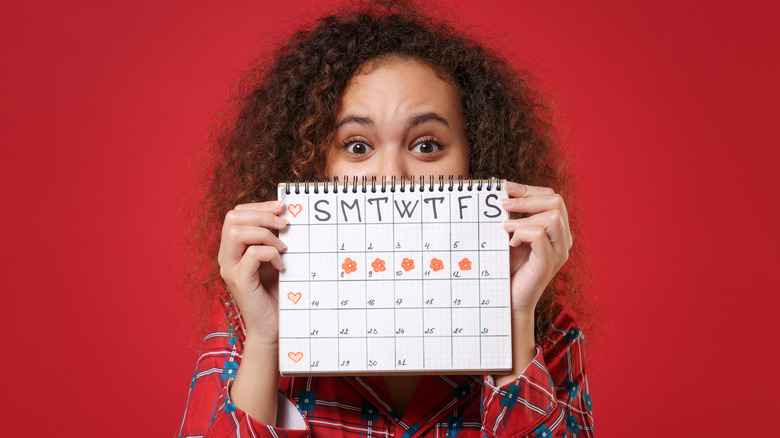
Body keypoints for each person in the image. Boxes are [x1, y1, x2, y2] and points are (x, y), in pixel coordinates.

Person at [178, 1, 594, 436]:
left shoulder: (545, 330)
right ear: (315, 167)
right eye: (357, 146)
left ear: (478, 160)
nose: (392, 178)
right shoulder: (251, 312)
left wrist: (511, 320)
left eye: (427, 145)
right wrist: (265, 343)